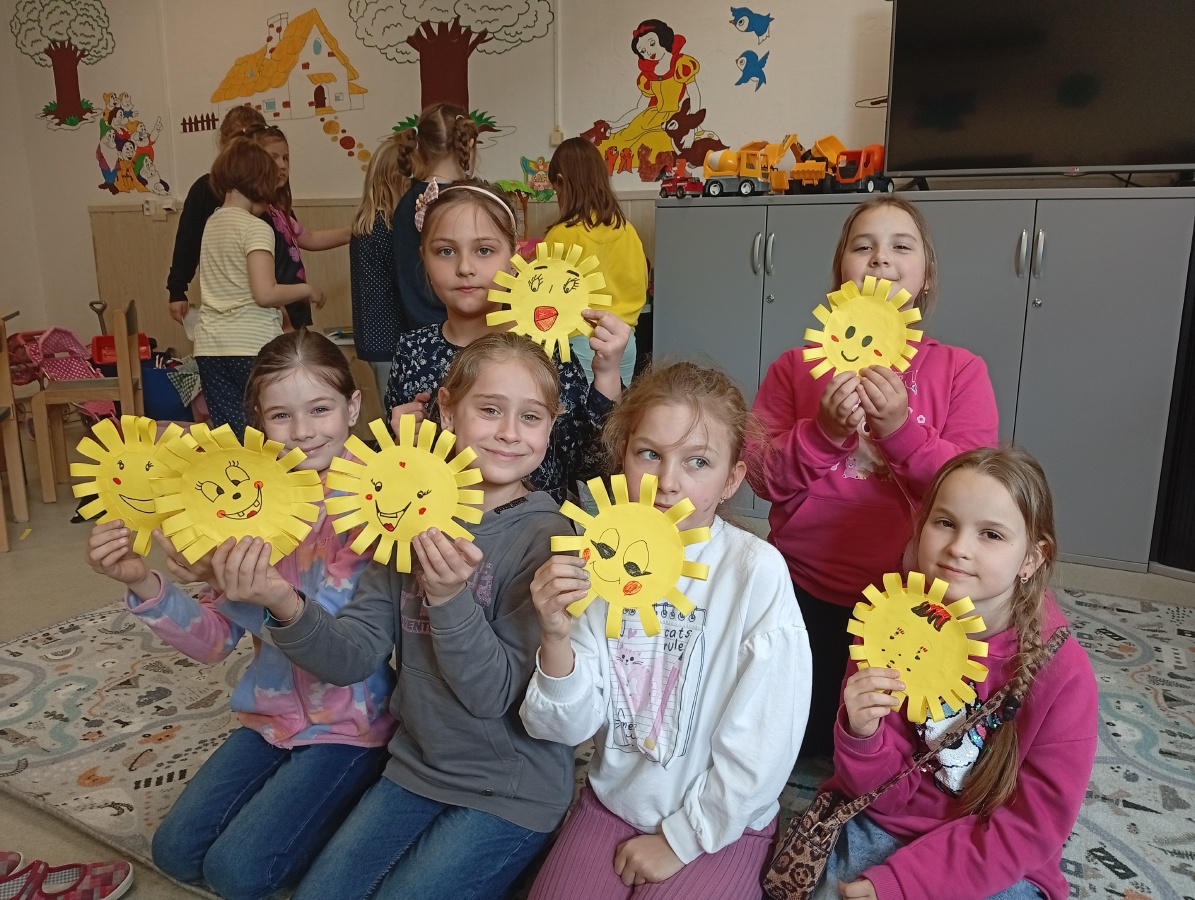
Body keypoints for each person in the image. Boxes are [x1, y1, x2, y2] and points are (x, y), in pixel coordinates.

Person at [242, 333, 576, 899]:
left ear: (549, 426)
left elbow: (492, 696)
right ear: (447, 410)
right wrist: (281, 599)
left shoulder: (547, 537)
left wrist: (448, 599)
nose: (509, 432)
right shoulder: (404, 514)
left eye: (531, 417)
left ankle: (522, 862)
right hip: (417, 766)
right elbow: (352, 658)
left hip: (511, 788)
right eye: (489, 409)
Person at [84, 331, 395, 900]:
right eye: (281, 415)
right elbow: (213, 642)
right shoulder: (242, 500)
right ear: (258, 423)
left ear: (353, 407)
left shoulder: (375, 504)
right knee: (176, 852)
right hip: (270, 716)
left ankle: (359, 796)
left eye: (320, 409)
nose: (303, 431)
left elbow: (334, 641)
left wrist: (239, 589)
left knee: (238, 873)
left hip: (351, 727)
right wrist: (142, 581)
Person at [522, 361, 812, 900]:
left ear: (731, 480)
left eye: (697, 462)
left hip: (724, 821)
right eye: (649, 454)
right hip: (614, 802)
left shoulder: (755, 572)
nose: (667, 482)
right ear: (623, 456)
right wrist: (555, 636)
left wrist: (682, 840)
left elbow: (767, 738)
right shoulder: (599, 560)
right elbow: (564, 727)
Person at [750, 195, 999, 756]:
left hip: (911, 600)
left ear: (926, 276)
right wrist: (823, 433)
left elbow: (974, 493)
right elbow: (763, 477)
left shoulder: (960, 370)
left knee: (889, 747)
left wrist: (900, 432)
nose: (881, 257)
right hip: (801, 587)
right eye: (863, 246)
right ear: (841, 272)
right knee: (794, 740)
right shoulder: (794, 368)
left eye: (900, 246)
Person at [809, 447, 1097, 900]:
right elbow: (875, 793)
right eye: (944, 523)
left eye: (991, 534)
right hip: (880, 824)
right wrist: (862, 735)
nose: (959, 548)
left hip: (991, 857)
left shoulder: (1064, 674)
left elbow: (1029, 827)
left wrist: (903, 884)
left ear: (1032, 557)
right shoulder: (886, 624)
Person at [382, 179, 631, 503]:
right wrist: (399, 443)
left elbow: (595, 469)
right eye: (445, 251)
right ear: (424, 258)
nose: (465, 267)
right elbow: (396, 477)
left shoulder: (547, 349)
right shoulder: (413, 351)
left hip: (540, 530)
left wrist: (608, 375)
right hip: (441, 529)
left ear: (514, 258)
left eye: (484, 250)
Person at [192, 137, 324, 438]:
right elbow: (265, 294)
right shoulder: (255, 228)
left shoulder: (212, 223)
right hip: (251, 345)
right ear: (260, 183)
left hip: (210, 347)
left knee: (232, 435)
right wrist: (307, 290)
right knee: (270, 429)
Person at [546, 137, 649, 384]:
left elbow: (543, 297)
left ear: (561, 181)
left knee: (574, 409)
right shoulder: (627, 230)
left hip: (578, 344)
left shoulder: (561, 235)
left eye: (556, 190)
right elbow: (640, 285)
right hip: (624, 340)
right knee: (615, 405)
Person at [166, 106, 266, 324]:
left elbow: (290, 243)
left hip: (267, 302)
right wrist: (177, 290)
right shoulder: (204, 189)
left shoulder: (267, 191)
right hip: (224, 305)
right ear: (223, 144)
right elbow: (187, 242)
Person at [247, 124, 350, 330]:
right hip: (277, 317)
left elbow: (309, 238)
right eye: (273, 157)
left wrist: (354, 232)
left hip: (294, 311)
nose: (282, 165)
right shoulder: (258, 218)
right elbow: (264, 281)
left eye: (286, 158)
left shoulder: (278, 211)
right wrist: (284, 322)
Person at [389, 103, 479, 333]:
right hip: (463, 329)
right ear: (469, 143)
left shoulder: (405, 204)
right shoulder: (466, 203)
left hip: (417, 330)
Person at [597, 19, 702, 165]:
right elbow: (639, 108)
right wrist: (617, 124)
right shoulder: (648, 76)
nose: (649, 52)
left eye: (652, 44)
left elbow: (695, 96)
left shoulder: (682, 64)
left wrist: (691, 129)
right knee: (623, 140)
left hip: (673, 120)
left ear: (663, 39)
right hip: (650, 117)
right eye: (643, 51)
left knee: (652, 146)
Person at [350, 133, 405, 398]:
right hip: (389, 337)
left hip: (372, 336)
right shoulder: (387, 227)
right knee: (395, 408)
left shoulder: (367, 224)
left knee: (390, 404)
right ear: (397, 180)